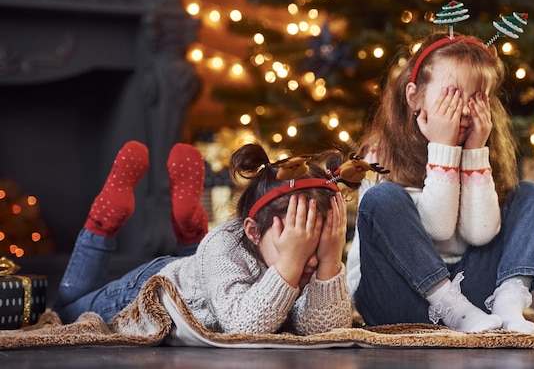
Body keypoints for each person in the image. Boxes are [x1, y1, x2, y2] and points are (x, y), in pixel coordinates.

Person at [346, 32, 534, 333]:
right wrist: (443, 147)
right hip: (395, 298)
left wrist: (473, 154)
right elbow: (438, 228)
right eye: (453, 94)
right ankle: (454, 310)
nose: (466, 110)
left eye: (477, 97)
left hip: (473, 299)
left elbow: (480, 233)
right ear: (413, 96)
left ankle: (507, 306)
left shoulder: (481, 149)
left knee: (533, 195)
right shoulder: (379, 157)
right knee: (382, 198)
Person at [54, 140, 357, 336]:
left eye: (318, 244)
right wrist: (291, 261)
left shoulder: (316, 261)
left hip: (201, 271)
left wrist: (331, 260)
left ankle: (189, 228)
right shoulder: (226, 244)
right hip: (151, 288)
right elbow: (245, 326)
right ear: (253, 231)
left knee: (204, 260)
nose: (311, 258)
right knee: (67, 310)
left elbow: (325, 329)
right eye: (298, 245)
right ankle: (101, 223)